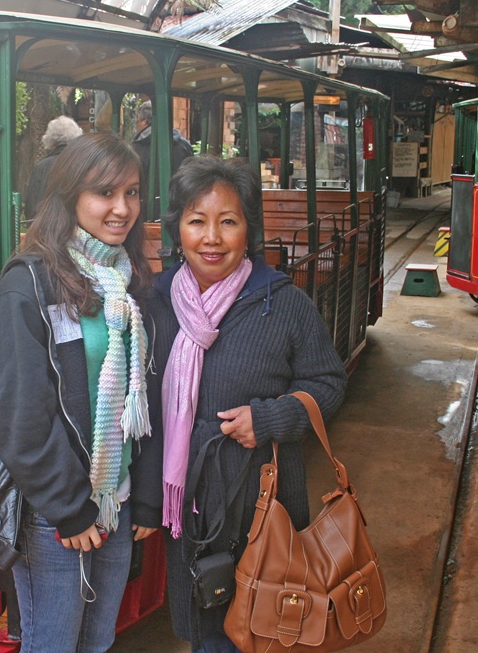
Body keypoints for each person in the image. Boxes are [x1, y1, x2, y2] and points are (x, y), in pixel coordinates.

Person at [146, 155, 348, 652]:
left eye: (228, 222)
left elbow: (328, 381)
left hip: (260, 500)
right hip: (187, 501)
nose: (212, 238)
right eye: (197, 222)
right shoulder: (156, 301)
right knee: (202, 625)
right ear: (178, 231)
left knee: (259, 627)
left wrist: (273, 417)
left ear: (248, 231)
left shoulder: (284, 303)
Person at [0, 133, 161, 652]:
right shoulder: (31, 282)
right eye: (104, 192)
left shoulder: (128, 282)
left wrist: (143, 498)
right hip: (55, 512)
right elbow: (18, 413)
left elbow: (144, 396)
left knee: (98, 643)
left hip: (116, 500)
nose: (121, 208)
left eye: (131, 193)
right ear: (70, 197)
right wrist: (70, 508)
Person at [23, 115, 84, 220]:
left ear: (50, 142)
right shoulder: (83, 165)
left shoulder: (41, 167)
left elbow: (31, 209)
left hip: (46, 231)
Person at [131, 100, 193, 185]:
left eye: (137, 121)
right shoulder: (184, 144)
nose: (136, 126)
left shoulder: (135, 150)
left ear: (144, 121)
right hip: (179, 197)